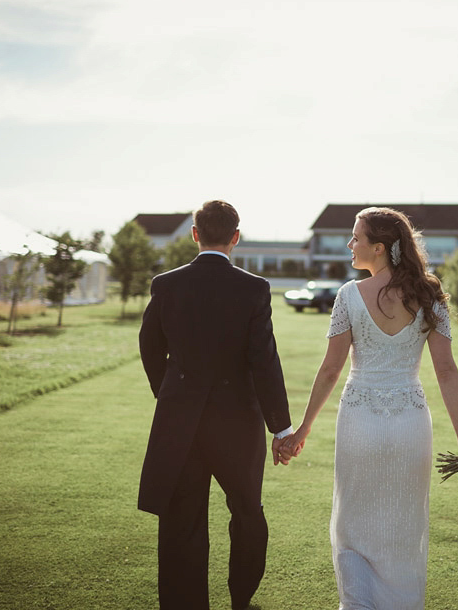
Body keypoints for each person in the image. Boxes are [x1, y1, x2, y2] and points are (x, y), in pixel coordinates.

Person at [282, 207, 458, 609]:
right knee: (404, 529)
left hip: (359, 421)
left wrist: (303, 428)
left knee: (353, 526)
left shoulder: (348, 296)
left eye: (356, 238)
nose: (349, 244)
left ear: (379, 248)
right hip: (410, 423)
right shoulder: (429, 295)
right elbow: (445, 370)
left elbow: (330, 370)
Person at [137, 200, 295, 610]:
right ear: (235, 237)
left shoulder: (166, 283)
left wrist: (167, 391)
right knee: (247, 513)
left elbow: (149, 345)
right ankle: (241, 597)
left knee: (180, 520)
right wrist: (280, 427)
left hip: (180, 421)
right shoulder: (254, 288)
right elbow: (264, 360)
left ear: (194, 234)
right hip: (238, 424)